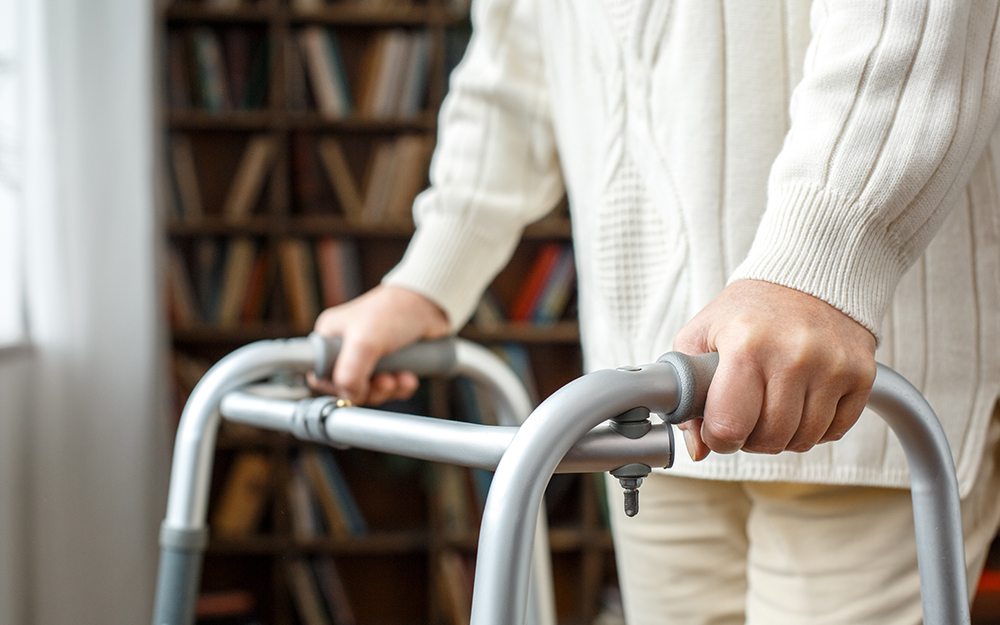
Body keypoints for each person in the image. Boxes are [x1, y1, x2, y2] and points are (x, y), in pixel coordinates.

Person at [311, 1, 1000, 622]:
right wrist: (427, 282)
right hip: (646, 397)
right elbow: (510, 73)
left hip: (851, 383)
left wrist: (819, 262)